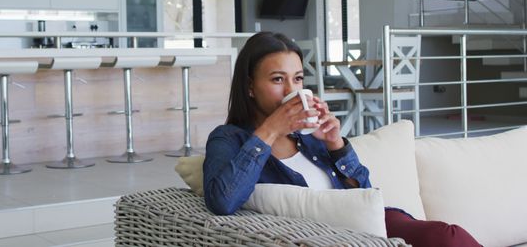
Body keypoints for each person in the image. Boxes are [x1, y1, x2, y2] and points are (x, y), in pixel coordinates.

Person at [202, 31, 481, 247]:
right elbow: (222, 202)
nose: (291, 89)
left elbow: (366, 190)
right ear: (250, 86)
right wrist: (271, 130)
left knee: (448, 237)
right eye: (278, 79)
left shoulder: (308, 136)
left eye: (298, 79)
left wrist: (335, 143)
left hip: (368, 223)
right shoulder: (229, 139)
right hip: (329, 236)